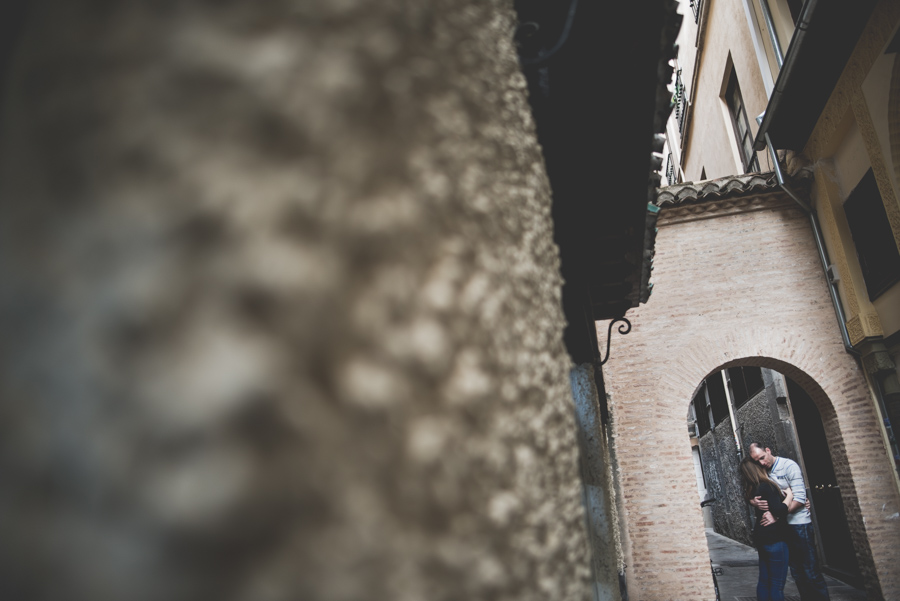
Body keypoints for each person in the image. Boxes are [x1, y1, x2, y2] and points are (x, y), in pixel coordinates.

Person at [748, 443, 830, 601]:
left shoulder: (789, 466)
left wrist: (776, 515)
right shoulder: (763, 472)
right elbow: (752, 487)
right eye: (757, 461)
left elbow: (799, 498)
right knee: (797, 572)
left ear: (768, 450)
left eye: (763, 458)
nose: (762, 463)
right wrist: (753, 501)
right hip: (782, 528)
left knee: (810, 571)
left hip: (799, 525)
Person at [740, 457, 793, 601]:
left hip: (761, 537)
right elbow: (778, 510)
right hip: (775, 538)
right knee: (777, 584)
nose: (764, 464)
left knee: (764, 581)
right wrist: (789, 496)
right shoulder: (767, 486)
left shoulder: (752, 489)